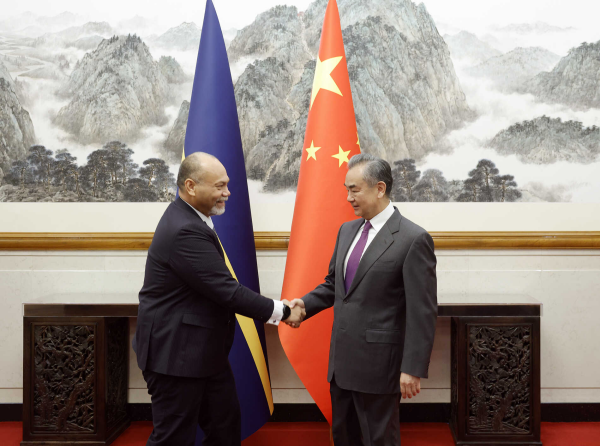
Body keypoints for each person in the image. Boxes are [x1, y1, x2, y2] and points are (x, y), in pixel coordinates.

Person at [132, 152, 304, 446]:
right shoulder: (185, 229)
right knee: (173, 439)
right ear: (191, 186)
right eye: (219, 186)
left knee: (225, 429)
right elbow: (228, 291)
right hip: (176, 357)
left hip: (202, 353)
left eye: (227, 184)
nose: (228, 193)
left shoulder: (190, 218)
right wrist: (284, 311)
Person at [288, 153, 438, 446]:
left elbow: (422, 311)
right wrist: (304, 305)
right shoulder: (347, 231)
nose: (348, 198)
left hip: (380, 367)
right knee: (344, 437)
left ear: (379, 189)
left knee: (378, 440)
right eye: (347, 189)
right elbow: (335, 285)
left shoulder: (413, 239)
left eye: (354, 190)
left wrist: (412, 368)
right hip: (341, 364)